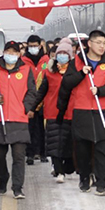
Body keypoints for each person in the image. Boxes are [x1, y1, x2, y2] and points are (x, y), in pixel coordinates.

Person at [59, 30, 105, 196]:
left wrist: (100, 90)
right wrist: (81, 74)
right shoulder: (77, 62)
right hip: (82, 110)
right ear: (89, 44)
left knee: (102, 148)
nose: (102, 46)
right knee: (82, 148)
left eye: (104, 43)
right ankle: (84, 178)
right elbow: (66, 83)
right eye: (98, 42)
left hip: (102, 110)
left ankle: (101, 183)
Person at [0, 41, 39, 199]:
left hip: (19, 119)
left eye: (14, 52)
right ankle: (3, 177)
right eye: (8, 52)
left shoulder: (26, 70)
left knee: (19, 155)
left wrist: (25, 107)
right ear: (3, 52)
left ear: (19, 54)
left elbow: (32, 91)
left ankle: (17, 187)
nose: (11, 55)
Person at [34, 39, 75, 183]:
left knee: (68, 143)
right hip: (52, 112)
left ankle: (67, 167)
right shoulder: (49, 73)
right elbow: (41, 92)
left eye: (65, 53)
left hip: (71, 112)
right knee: (54, 144)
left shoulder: (74, 72)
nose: (62, 56)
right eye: (60, 53)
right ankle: (59, 170)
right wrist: (33, 107)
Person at [23, 35, 49, 165]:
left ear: (40, 46)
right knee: (30, 127)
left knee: (42, 127)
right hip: (29, 98)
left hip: (44, 98)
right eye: (31, 46)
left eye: (35, 46)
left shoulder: (46, 60)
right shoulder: (23, 61)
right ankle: (30, 153)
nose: (33, 48)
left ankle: (43, 152)